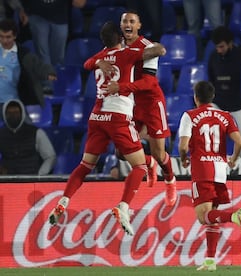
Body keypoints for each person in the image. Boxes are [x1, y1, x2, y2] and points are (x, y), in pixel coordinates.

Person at [48, 21, 163, 236]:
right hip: (118, 117)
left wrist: (98, 62)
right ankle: (124, 207)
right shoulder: (127, 54)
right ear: (119, 38)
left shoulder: (99, 57)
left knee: (85, 165)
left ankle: (63, 201)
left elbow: (86, 64)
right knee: (138, 167)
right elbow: (158, 51)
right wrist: (151, 47)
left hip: (97, 116)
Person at [95, 10, 177, 207]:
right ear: (121, 26)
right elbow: (95, 60)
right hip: (130, 105)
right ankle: (148, 163)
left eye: (132, 21)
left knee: (159, 152)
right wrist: (98, 61)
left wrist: (121, 87)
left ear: (139, 26)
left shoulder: (147, 48)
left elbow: (148, 83)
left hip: (151, 103)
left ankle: (170, 180)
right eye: (124, 21)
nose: (128, 24)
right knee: (121, 153)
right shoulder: (117, 47)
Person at [177, 81, 241, 271]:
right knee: (212, 217)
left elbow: (183, 146)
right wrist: (233, 158)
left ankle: (235, 216)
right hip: (220, 169)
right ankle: (210, 261)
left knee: (203, 217)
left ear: (196, 97)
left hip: (202, 168)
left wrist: (184, 159)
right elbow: (240, 142)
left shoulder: (190, 115)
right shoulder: (225, 116)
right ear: (213, 97)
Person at [0, 19, 56, 118]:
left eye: (8, 37)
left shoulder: (24, 54)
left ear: (15, 36)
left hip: (15, 103)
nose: (4, 40)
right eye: (1, 37)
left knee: (27, 129)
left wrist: (49, 73)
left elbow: (39, 66)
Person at [208, 25, 241, 140]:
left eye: (222, 47)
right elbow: (211, 80)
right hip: (219, 104)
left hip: (239, 104)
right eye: (217, 47)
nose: (219, 50)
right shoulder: (213, 57)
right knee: (207, 129)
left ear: (230, 43)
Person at [0, 99, 55, 175]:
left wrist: (39, 175)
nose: (13, 116)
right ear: (4, 115)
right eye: (9, 113)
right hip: (8, 181)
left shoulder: (36, 132)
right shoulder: (1, 134)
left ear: (22, 114)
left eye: (16, 113)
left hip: (31, 179)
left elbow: (50, 156)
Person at [23, 0, 86, 66]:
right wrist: (22, 8)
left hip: (60, 16)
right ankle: (47, 75)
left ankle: (56, 73)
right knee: (43, 56)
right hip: (36, 14)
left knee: (58, 57)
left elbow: (80, 3)